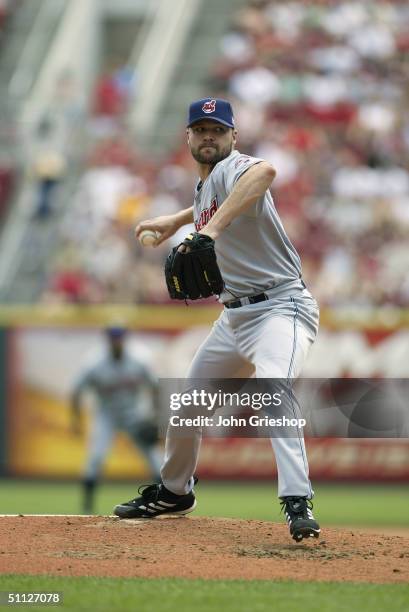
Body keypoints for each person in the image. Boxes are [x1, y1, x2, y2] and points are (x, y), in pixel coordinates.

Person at [113, 97, 320, 541]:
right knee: (188, 406)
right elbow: (211, 202)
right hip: (234, 319)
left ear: (233, 137)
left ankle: (296, 499)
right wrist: (177, 219)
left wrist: (206, 231)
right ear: (188, 137)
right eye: (200, 129)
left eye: (218, 129)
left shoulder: (236, 168)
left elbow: (264, 174)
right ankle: (174, 491)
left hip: (281, 309)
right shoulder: (207, 184)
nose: (209, 136)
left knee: (272, 389)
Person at [71, 326, 162, 514]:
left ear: (125, 339)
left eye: (119, 338)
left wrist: (155, 416)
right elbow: (76, 392)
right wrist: (76, 420)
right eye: (113, 338)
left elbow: (155, 388)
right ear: (107, 340)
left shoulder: (140, 358)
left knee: (155, 460)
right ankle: (87, 507)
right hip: (106, 415)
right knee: (95, 458)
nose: (116, 341)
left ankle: (165, 500)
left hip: (133, 414)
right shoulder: (94, 362)